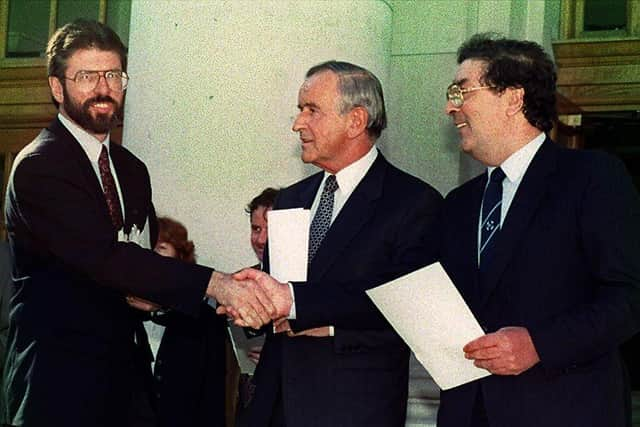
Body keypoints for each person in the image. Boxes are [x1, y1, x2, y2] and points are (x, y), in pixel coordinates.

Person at [2, 19, 275, 427]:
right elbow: (104, 257)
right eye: (86, 76)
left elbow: (139, 257)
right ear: (57, 88)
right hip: (58, 385)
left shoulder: (131, 170)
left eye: (112, 74)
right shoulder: (39, 166)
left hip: (125, 384)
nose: (103, 87)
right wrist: (217, 285)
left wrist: (162, 295)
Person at [437, 33, 640, 427]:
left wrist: (539, 345)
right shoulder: (457, 204)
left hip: (564, 410)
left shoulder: (592, 178)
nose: (450, 107)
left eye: (462, 92)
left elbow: (629, 298)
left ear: (514, 98)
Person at [228, 61, 443, 426]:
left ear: (356, 121)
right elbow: (279, 293)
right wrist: (249, 304)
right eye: (300, 110)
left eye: (311, 110)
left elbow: (409, 310)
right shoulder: (291, 198)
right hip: (273, 405)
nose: (298, 124)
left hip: (350, 409)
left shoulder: (413, 203)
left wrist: (319, 320)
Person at [148, 217, 226, 427]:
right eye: (148, 249)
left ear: (180, 257)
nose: (152, 258)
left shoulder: (205, 320)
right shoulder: (122, 314)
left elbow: (213, 395)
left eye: (161, 248)